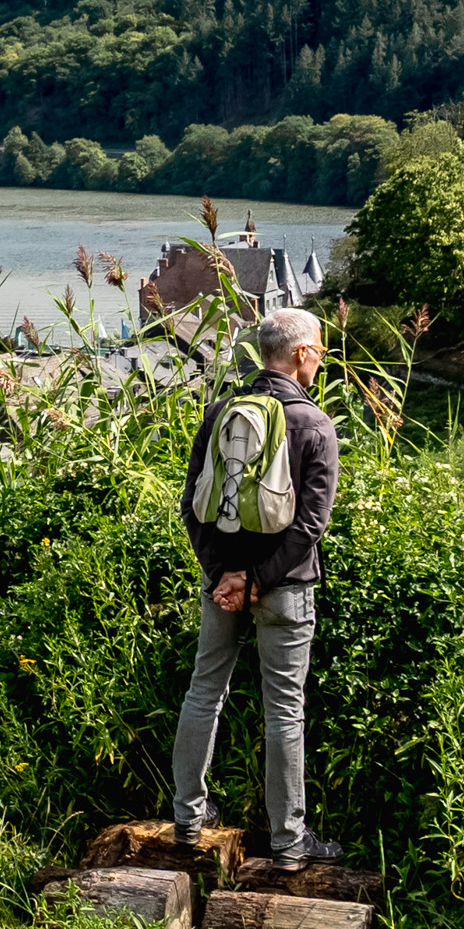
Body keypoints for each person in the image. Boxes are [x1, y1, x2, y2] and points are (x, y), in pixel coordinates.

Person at [168, 305, 342, 868]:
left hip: (222, 587)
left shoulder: (221, 411)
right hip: (284, 590)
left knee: (204, 692)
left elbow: (193, 506)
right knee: (284, 711)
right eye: (318, 349)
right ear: (300, 354)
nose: (320, 358)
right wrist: (260, 581)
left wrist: (225, 577)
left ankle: (188, 819)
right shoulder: (314, 425)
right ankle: (290, 844)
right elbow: (311, 526)